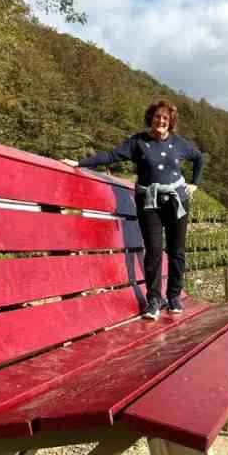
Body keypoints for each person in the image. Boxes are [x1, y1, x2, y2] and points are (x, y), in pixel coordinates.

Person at [63, 100, 204, 320]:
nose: (161, 121)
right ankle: (154, 300)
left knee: (177, 251)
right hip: (149, 202)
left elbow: (198, 158)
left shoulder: (179, 143)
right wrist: (80, 163)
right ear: (151, 118)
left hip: (177, 201)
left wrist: (194, 183)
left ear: (171, 122)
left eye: (165, 118)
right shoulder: (138, 142)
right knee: (154, 251)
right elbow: (111, 155)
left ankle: (174, 296)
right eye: (157, 117)